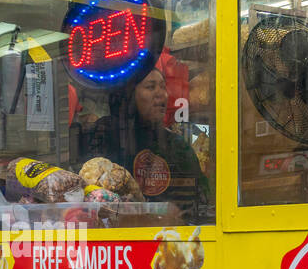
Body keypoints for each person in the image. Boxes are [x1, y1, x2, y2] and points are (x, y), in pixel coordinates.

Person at [83, 64, 212, 223]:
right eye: (150, 87)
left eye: (163, 87)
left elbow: (202, 203)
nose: (161, 94)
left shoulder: (178, 146)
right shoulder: (106, 133)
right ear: (129, 95)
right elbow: (87, 194)